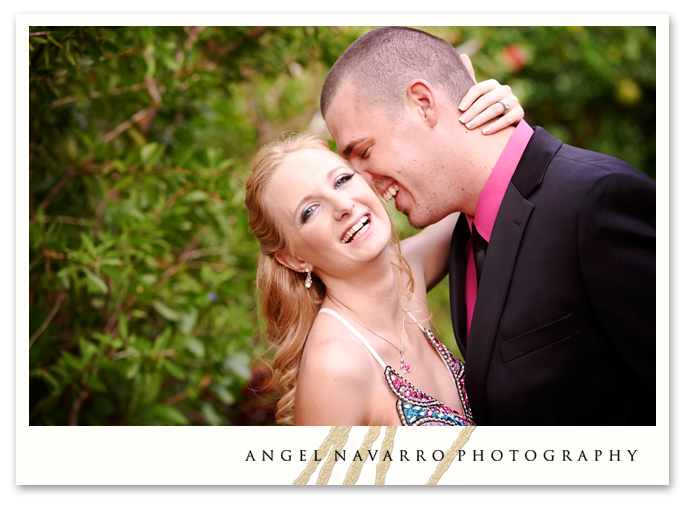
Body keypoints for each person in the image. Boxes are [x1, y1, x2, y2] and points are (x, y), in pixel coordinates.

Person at [320, 26, 656, 425]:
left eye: (364, 151)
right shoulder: (464, 229)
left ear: (423, 103)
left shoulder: (596, 200)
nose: (364, 184)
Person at [245, 81, 525, 425]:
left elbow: (470, 183)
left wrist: (492, 114)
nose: (343, 205)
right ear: (294, 258)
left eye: (341, 180)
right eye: (310, 211)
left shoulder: (406, 277)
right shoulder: (336, 365)